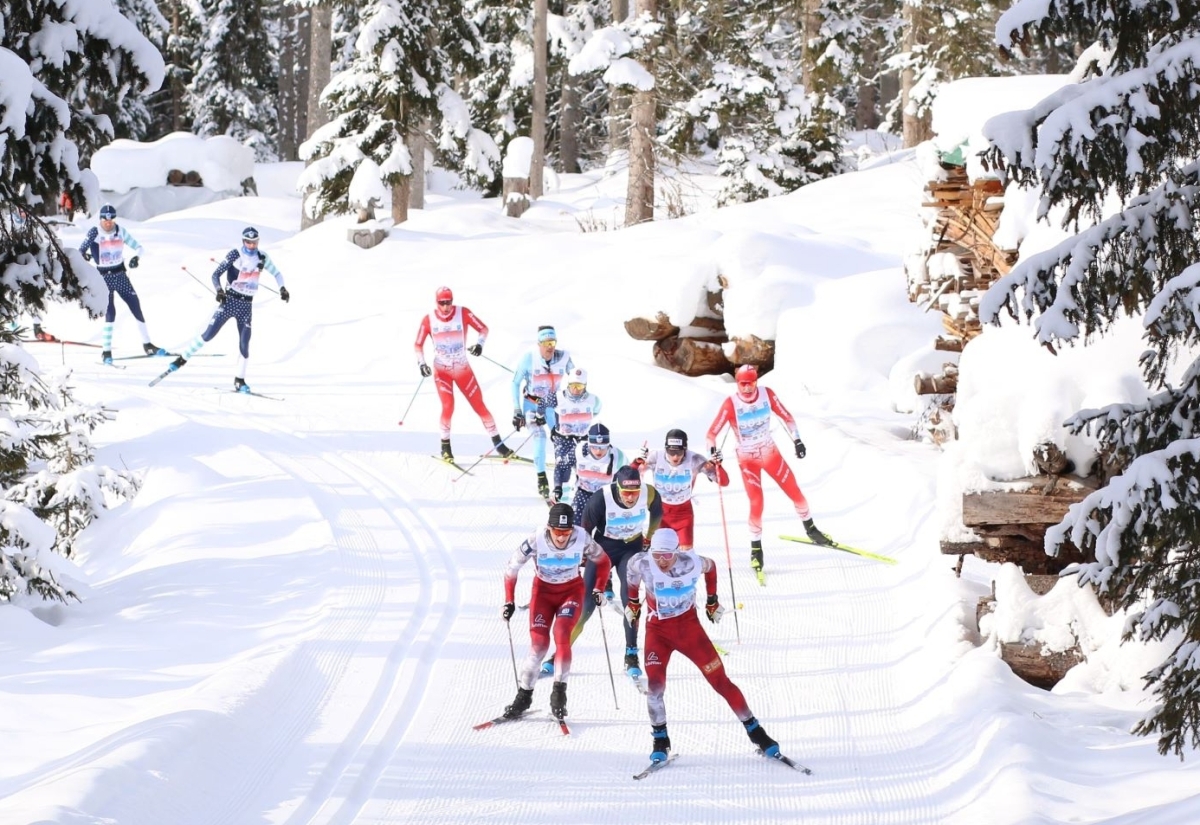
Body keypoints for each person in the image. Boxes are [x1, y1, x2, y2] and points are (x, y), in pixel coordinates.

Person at [625, 527, 782, 763]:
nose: (661, 561)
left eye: (667, 555)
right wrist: (633, 603)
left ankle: (757, 733)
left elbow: (712, 567)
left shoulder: (692, 563)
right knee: (655, 687)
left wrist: (712, 601)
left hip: (689, 631)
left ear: (676, 552)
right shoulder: (643, 563)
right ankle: (660, 740)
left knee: (720, 681)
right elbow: (631, 574)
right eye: (657, 555)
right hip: (657, 633)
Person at [706, 364, 831, 574]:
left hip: (770, 452)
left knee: (795, 491)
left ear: (756, 381)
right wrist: (713, 454)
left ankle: (811, 529)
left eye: (751, 383)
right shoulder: (731, 404)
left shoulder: (767, 394)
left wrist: (797, 440)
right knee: (757, 502)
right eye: (742, 384)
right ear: (737, 383)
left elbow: (787, 417)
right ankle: (756, 549)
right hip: (748, 459)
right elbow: (711, 434)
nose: (747, 388)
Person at [499, 502, 612, 722]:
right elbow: (512, 568)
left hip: (571, 592)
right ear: (549, 527)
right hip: (542, 593)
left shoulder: (582, 537)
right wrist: (509, 601)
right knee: (539, 645)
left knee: (562, 634)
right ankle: (523, 697)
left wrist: (599, 588)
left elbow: (604, 561)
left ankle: (559, 695)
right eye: (557, 532)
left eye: (566, 532)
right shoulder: (537, 538)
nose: (561, 538)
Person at [163, 227, 289, 393]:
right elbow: (215, 275)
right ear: (243, 241)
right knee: (208, 335)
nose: (252, 245)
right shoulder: (235, 254)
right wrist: (219, 291)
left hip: (246, 306)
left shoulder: (262, 257)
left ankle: (239, 380)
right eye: (248, 242)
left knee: (244, 344)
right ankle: (182, 359)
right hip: (230, 301)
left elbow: (277, 274)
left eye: (255, 242)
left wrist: (282, 288)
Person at [576, 464, 662, 678]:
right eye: (626, 493)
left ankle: (631, 653)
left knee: (630, 601)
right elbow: (584, 530)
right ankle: (560, 650)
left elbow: (657, 513)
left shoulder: (649, 493)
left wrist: (649, 537)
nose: (631, 498)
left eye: (635, 492)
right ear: (618, 487)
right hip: (603, 548)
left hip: (631, 549)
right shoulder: (601, 498)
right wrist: (582, 556)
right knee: (587, 604)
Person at [414, 286, 513, 462]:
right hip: (442, 371)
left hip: (462, 369)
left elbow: (483, 329)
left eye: (449, 302)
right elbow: (418, 344)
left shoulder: (463, 313)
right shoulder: (428, 319)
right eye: (442, 303)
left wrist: (479, 345)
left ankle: (499, 445)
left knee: (479, 405)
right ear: (436, 302)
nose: (446, 307)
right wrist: (422, 364)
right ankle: (445, 448)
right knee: (448, 406)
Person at [78, 203, 164, 364]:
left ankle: (148, 345)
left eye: (111, 220)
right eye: (105, 220)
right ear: (100, 219)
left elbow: (139, 248)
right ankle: (106, 351)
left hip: (121, 276)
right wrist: (86, 256)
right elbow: (80, 250)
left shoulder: (121, 231)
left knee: (136, 306)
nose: (108, 223)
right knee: (110, 313)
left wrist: (136, 258)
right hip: (104, 278)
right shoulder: (95, 232)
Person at [635, 428, 729, 550]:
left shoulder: (695, 459)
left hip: (683, 514)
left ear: (685, 449)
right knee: (662, 554)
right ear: (665, 448)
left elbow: (724, 482)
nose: (675, 457)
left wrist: (718, 465)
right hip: (661, 514)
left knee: (686, 556)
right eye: (671, 452)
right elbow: (629, 476)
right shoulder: (655, 457)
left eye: (679, 452)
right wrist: (638, 461)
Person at [511, 325, 574, 499]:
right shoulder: (528, 358)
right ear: (538, 344)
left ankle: (563, 482)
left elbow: (575, 380)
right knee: (540, 436)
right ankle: (542, 478)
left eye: (552, 342)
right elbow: (515, 383)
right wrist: (517, 411)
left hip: (552, 407)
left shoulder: (564, 357)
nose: (549, 347)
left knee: (561, 440)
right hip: (532, 405)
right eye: (545, 343)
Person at [550, 367, 601, 502]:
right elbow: (554, 413)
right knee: (563, 468)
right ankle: (562, 500)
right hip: (563, 440)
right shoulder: (560, 397)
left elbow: (595, 412)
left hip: (583, 440)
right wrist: (556, 428)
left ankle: (582, 501)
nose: (576, 389)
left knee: (583, 471)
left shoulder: (594, 400)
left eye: (580, 386)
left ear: (585, 386)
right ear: (568, 384)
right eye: (573, 385)